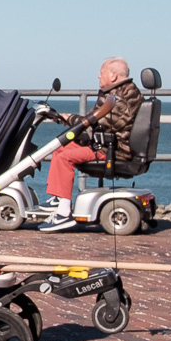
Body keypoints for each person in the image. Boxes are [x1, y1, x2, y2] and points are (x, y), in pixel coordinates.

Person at [37, 58, 143, 232]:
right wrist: (67, 119)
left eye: (101, 72)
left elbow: (98, 123)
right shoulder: (118, 92)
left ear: (113, 75)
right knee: (61, 147)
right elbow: (95, 122)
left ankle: (63, 214)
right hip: (106, 143)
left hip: (111, 150)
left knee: (64, 158)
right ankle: (58, 197)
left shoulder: (119, 98)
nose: (98, 76)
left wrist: (69, 118)